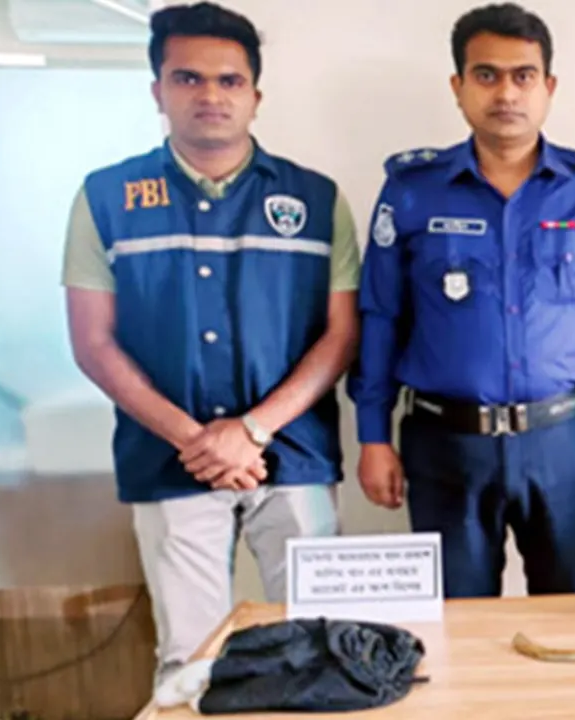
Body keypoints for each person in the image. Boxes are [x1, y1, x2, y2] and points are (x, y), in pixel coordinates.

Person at [61, 2, 359, 686]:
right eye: (188, 78)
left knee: (320, 650)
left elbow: (341, 335)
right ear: (157, 91)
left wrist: (250, 431)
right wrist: (197, 440)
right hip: (169, 458)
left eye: (229, 81)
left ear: (255, 95)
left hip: (295, 454)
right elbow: (93, 342)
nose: (210, 96)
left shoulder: (316, 200)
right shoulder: (106, 198)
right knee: (188, 661)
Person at [348, 2, 575, 599]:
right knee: (456, 623)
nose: (506, 93)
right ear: (458, 86)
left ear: (549, 87)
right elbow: (381, 317)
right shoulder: (411, 191)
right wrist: (372, 436)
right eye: (487, 75)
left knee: (574, 619)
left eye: (523, 76)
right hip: (446, 444)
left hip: (564, 442)